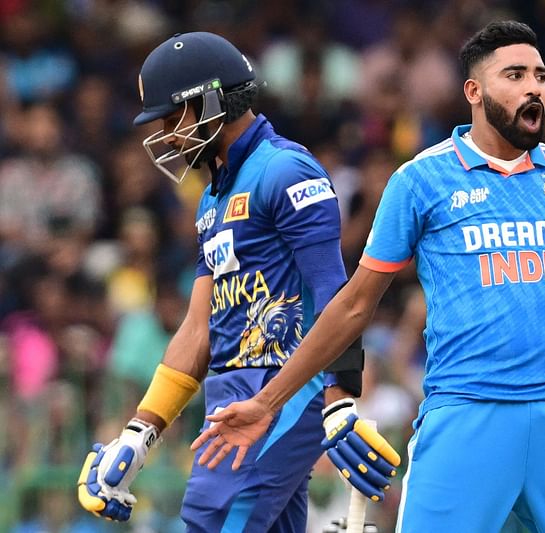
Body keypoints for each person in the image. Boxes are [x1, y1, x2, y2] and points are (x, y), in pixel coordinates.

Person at [191, 21, 545, 532]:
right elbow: (355, 304)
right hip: (468, 413)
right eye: (514, 75)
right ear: (474, 91)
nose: (534, 87)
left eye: (540, 76)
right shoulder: (419, 180)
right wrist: (269, 403)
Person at [76, 32, 383, 532]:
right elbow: (199, 329)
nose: (169, 136)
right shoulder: (211, 200)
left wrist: (339, 400)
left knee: (207, 522)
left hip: (282, 390)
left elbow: (336, 294)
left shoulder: (284, 170)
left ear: (213, 101)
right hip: (231, 396)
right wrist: (139, 432)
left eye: (174, 118)